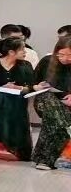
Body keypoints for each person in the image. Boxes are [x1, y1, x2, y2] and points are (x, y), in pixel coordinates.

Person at [0, 36, 35, 161]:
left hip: (18, 102)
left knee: (12, 102)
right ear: (11, 52)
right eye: (22, 49)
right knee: (2, 98)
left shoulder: (26, 65)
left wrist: (19, 88)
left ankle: (15, 144)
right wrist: (0, 88)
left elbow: (31, 86)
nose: (25, 52)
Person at [31, 36, 71, 169]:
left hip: (67, 103)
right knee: (60, 120)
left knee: (54, 122)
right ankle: (45, 159)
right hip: (46, 99)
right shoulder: (47, 61)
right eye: (61, 54)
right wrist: (37, 86)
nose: (65, 58)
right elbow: (33, 82)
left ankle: (42, 159)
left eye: (70, 55)